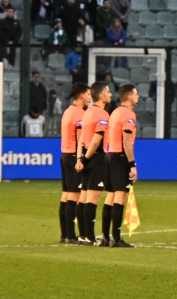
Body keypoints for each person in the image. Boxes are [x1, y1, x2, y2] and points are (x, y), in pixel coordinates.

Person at [101, 84, 139, 248]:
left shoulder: (115, 112)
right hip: (120, 157)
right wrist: (132, 164)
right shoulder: (128, 114)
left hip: (110, 155)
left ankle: (105, 236)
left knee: (110, 196)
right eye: (136, 94)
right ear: (129, 97)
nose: (138, 97)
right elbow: (127, 141)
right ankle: (116, 239)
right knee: (120, 196)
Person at [77, 83, 114, 246]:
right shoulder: (102, 114)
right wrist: (85, 159)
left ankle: (82, 235)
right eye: (108, 91)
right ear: (100, 95)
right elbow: (96, 141)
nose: (110, 94)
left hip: (86, 156)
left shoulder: (87, 112)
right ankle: (90, 237)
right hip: (96, 158)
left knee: (84, 197)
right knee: (92, 199)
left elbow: (81, 140)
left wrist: (80, 159)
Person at [58, 82, 91, 245]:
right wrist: (82, 158)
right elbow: (80, 139)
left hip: (65, 154)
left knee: (66, 195)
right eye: (88, 94)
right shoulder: (79, 114)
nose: (90, 97)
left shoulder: (68, 111)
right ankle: (71, 235)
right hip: (73, 156)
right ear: (81, 95)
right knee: (74, 195)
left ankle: (65, 234)